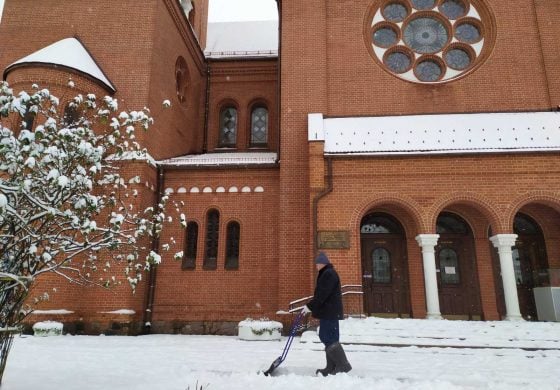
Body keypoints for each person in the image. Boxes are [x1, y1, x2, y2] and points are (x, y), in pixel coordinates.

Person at [302, 252, 352, 376]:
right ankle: (331, 366)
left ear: (322, 263)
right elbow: (322, 294)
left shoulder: (328, 274)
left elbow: (322, 294)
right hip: (329, 312)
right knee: (330, 338)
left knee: (327, 337)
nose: (316, 266)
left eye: (317, 264)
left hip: (329, 312)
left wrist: (310, 306)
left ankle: (342, 365)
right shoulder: (327, 273)